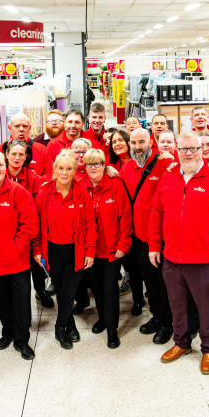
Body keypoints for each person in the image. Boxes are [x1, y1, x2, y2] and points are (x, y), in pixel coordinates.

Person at [150, 131, 209, 376]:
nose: (188, 153)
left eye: (193, 148)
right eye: (184, 149)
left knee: (206, 305)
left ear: (202, 150)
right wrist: (154, 246)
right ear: (177, 150)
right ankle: (181, 343)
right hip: (171, 257)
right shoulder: (168, 179)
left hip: (203, 258)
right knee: (177, 304)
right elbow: (156, 214)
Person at [32, 150, 97, 350]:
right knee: (61, 292)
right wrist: (37, 250)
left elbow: (90, 225)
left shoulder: (81, 193)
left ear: (75, 171)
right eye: (61, 168)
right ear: (54, 170)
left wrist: (90, 251)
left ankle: (60, 328)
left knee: (68, 293)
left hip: (75, 252)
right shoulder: (44, 193)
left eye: (69, 169)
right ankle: (70, 324)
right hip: (52, 251)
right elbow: (37, 225)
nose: (64, 172)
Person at [0, 150, 39, 360]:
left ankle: (22, 340)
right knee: (2, 301)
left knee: (21, 303)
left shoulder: (17, 191)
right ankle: (8, 332)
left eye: (0, 165)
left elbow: (30, 223)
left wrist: (17, 246)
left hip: (17, 260)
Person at [120, 128, 174, 341]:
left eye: (141, 142)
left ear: (150, 141)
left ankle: (167, 323)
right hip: (138, 237)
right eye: (133, 143)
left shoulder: (165, 164)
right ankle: (157, 316)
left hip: (160, 238)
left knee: (163, 283)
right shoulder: (128, 167)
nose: (138, 147)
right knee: (149, 282)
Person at [82, 148, 133, 348]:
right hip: (90, 251)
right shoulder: (80, 186)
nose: (93, 168)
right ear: (84, 166)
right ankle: (103, 319)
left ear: (104, 165)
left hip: (112, 249)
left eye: (97, 163)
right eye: (89, 164)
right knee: (96, 288)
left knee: (110, 289)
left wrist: (123, 244)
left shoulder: (116, 185)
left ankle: (112, 329)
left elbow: (125, 217)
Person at [3, 139, 51, 309]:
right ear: (6, 155)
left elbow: (39, 209)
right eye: (13, 154)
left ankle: (41, 291)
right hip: (6, 233)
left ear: (26, 157)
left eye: (21, 154)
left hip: (29, 232)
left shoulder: (33, 178)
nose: (17, 157)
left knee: (37, 267)